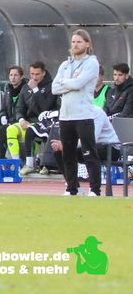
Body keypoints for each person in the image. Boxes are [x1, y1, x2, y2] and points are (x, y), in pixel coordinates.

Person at [50, 30, 102, 196]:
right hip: (66, 116)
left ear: (87, 44)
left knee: (89, 154)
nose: (75, 45)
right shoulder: (65, 65)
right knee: (68, 155)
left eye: (79, 42)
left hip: (83, 116)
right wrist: (70, 83)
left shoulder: (91, 63)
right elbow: (54, 88)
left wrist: (65, 82)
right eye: (73, 42)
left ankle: (95, 190)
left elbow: (79, 84)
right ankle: (72, 188)